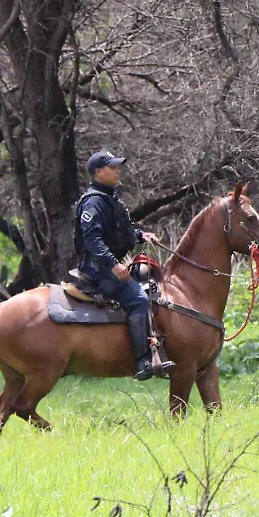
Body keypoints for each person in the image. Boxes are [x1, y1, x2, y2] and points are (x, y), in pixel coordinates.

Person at [76, 151, 175, 381]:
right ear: (99, 172)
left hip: (107, 263)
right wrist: (113, 265)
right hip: (97, 268)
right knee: (138, 299)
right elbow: (92, 241)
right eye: (113, 167)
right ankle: (143, 361)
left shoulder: (109, 198)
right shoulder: (93, 202)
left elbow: (120, 231)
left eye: (118, 166)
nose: (118, 170)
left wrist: (141, 235)